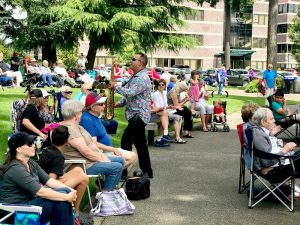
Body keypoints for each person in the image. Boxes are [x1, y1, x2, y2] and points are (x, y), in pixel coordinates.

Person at [0, 132, 76, 225]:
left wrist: (71, 191)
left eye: (33, 142)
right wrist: (67, 197)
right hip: (14, 213)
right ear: (19, 149)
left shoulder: (30, 163)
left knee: (64, 190)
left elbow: (49, 181)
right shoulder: (16, 169)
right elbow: (40, 192)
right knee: (61, 201)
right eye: (29, 144)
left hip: (29, 205)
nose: (33, 145)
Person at [61, 100, 124, 191]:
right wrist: (101, 159)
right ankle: (107, 197)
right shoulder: (70, 130)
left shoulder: (77, 126)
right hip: (82, 165)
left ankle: (110, 189)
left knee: (120, 160)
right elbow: (86, 151)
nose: (83, 113)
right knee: (116, 167)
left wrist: (101, 155)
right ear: (75, 114)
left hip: (90, 160)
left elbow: (90, 145)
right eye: (82, 111)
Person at [110, 52, 153, 178]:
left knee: (125, 141)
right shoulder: (135, 77)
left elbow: (131, 92)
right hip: (135, 116)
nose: (131, 60)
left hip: (138, 116)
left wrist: (115, 86)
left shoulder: (142, 78)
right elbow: (130, 96)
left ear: (141, 63)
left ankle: (123, 171)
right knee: (140, 144)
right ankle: (147, 171)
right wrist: (120, 103)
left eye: (134, 59)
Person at [38, 125, 89, 223]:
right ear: (66, 141)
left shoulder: (47, 150)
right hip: (47, 187)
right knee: (84, 178)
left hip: (40, 182)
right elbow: (50, 180)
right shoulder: (58, 157)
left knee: (78, 169)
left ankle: (75, 211)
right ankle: (75, 213)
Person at [80, 92, 137, 168]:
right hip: (101, 153)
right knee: (131, 157)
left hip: (107, 150)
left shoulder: (94, 116)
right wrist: (112, 149)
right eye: (101, 104)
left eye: (103, 103)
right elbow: (93, 143)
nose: (104, 106)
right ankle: (114, 172)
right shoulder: (87, 120)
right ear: (93, 107)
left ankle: (114, 172)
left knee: (133, 156)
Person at [251, 108, 298, 182]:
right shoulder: (259, 136)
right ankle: (289, 190)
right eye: (272, 118)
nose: (274, 121)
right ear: (263, 122)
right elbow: (266, 162)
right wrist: (285, 149)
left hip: (282, 161)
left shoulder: (260, 131)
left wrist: (271, 134)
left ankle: (289, 190)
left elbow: (268, 149)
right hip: (277, 169)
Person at [152, 78, 186, 144]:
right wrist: (171, 107)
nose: (161, 86)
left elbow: (166, 106)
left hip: (164, 112)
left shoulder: (164, 93)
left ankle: (165, 137)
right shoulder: (156, 94)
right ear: (157, 86)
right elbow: (158, 108)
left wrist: (174, 107)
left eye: (163, 85)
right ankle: (167, 135)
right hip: (157, 113)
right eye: (159, 85)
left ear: (165, 86)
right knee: (173, 116)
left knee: (178, 116)